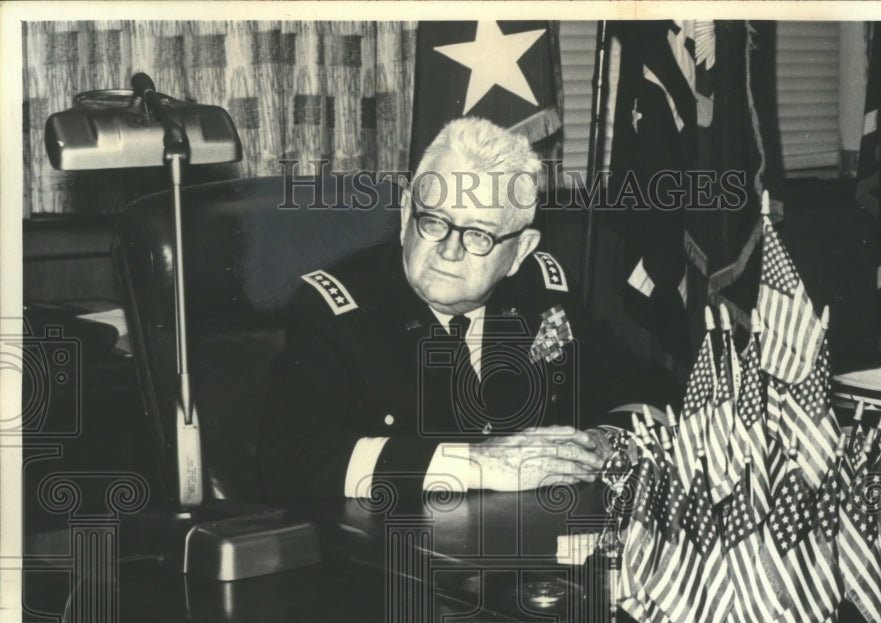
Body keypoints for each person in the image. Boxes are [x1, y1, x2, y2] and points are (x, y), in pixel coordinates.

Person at [258, 117, 678, 501]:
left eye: (478, 235)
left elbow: (648, 387)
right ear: (406, 215)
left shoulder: (538, 291)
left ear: (520, 252)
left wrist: (604, 443)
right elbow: (289, 457)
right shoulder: (337, 310)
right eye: (434, 222)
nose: (449, 250)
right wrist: (476, 463)